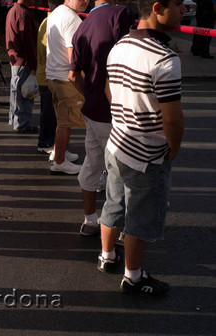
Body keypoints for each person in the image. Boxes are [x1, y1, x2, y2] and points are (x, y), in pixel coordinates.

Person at [99, 0, 185, 296]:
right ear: (159, 7)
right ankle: (133, 277)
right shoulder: (164, 59)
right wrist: (172, 149)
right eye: (180, 5)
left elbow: (109, 89)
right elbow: (172, 120)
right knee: (140, 217)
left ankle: (107, 257)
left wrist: (124, 114)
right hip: (146, 153)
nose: (185, 11)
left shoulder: (120, 44)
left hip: (117, 143)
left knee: (114, 204)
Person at [68, 0, 134, 236]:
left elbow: (73, 74)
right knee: (123, 173)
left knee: (93, 163)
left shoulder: (84, 25)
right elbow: (130, 59)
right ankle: (119, 232)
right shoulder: (120, 14)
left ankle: (90, 220)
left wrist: (90, 94)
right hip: (116, 110)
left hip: (93, 110)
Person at [45, 0, 88, 175]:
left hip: (54, 76)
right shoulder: (72, 19)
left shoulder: (56, 13)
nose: (85, 1)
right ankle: (59, 162)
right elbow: (74, 58)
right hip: (66, 78)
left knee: (62, 119)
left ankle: (59, 153)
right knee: (65, 122)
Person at [5, 0, 38, 133]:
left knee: (16, 92)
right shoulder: (23, 13)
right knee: (25, 94)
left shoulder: (13, 10)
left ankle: (14, 119)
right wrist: (33, 62)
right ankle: (22, 124)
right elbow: (28, 41)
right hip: (23, 60)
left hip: (15, 58)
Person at [36, 11, 57, 155]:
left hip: (45, 73)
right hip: (47, 75)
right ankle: (45, 142)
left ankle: (49, 141)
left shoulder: (46, 22)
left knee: (49, 113)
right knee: (48, 114)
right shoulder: (52, 24)